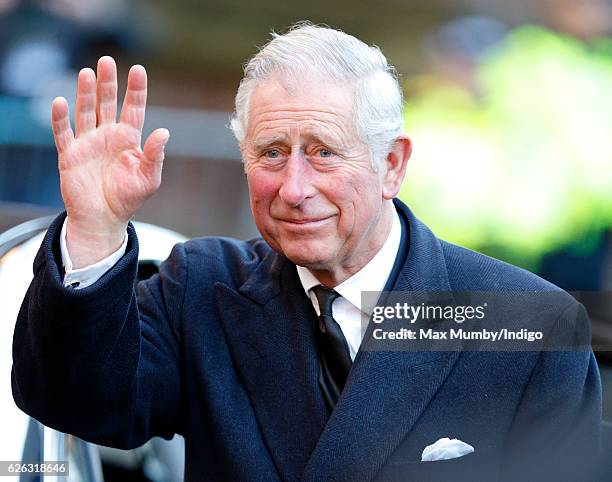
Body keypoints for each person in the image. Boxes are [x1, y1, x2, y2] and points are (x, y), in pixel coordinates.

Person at [12, 23, 602, 481]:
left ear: (391, 164)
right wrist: (95, 227)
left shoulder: (525, 323)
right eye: (271, 153)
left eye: (323, 151)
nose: (294, 189)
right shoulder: (202, 287)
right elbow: (78, 402)